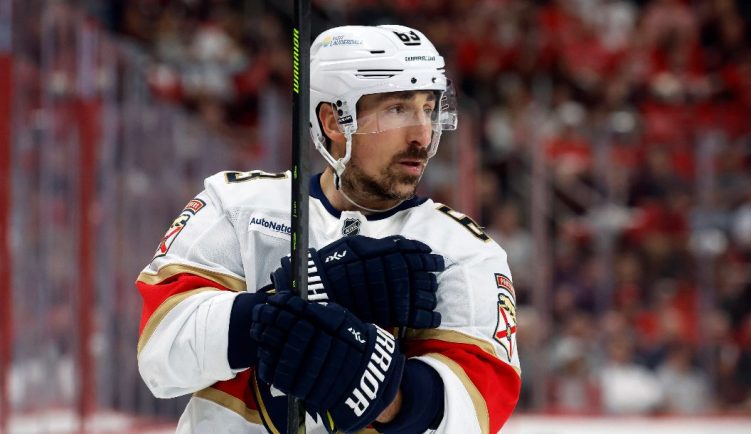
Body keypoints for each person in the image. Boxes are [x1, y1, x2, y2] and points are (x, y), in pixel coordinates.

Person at [136, 24, 521, 433]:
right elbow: (161, 358)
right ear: (335, 122)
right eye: (397, 109)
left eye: (428, 108)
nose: (422, 134)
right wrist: (288, 302)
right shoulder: (234, 207)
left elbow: (476, 408)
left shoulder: (462, 251)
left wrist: (378, 388)